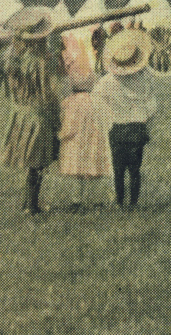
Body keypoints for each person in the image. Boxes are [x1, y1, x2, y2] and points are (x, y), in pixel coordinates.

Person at [0, 7, 60, 216]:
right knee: (38, 164)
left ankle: (28, 203)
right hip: (38, 116)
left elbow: (14, 87)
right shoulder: (41, 62)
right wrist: (56, 116)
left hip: (21, 114)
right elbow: (49, 92)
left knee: (31, 164)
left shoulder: (16, 60)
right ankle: (32, 206)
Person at [93, 29, 158, 210]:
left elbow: (95, 98)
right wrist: (146, 120)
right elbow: (152, 105)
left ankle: (120, 202)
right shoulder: (145, 78)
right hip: (137, 127)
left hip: (118, 128)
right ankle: (134, 202)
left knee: (118, 170)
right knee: (135, 169)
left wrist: (107, 118)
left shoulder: (107, 82)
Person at [57, 37, 110, 210]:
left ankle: (76, 199)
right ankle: (95, 198)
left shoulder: (71, 77)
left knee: (77, 160)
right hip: (90, 114)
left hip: (76, 118)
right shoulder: (90, 75)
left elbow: (66, 91)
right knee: (91, 155)